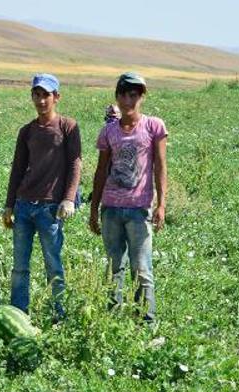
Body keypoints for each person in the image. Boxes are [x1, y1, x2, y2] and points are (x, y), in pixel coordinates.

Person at [88, 72, 168, 323]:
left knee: (142, 268)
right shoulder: (109, 131)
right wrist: (93, 209)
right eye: (123, 95)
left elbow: (160, 166)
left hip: (139, 209)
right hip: (110, 208)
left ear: (141, 96)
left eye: (133, 95)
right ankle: (113, 319)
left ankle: (146, 322)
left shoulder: (154, 126)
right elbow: (101, 171)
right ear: (117, 97)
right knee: (114, 268)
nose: (128, 100)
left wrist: (162, 204)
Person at [2, 73, 82, 321]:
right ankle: (18, 314)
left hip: (50, 208)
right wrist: (9, 205)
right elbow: (17, 168)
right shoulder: (26, 131)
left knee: (53, 264)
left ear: (56, 97)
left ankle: (58, 314)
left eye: (46, 95)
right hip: (25, 205)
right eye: (36, 94)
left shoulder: (67, 126)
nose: (41, 100)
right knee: (19, 267)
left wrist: (69, 198)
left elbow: (75, 163)